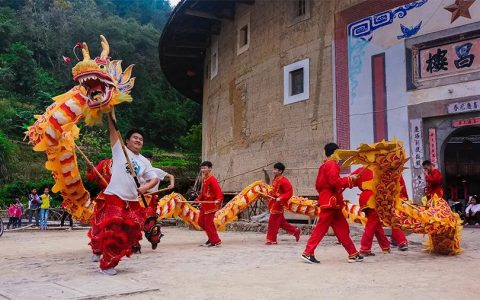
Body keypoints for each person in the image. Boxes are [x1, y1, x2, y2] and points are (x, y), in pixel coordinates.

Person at [95, 111, 159, 276]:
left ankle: (109, 254)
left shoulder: (145, 161)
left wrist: (145, 188)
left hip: (132, 201)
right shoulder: (119, 149)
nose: (138, 140)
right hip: (115, 196)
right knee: (114, 231)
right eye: (135, 138)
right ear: (128, 140)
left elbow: (154, 179)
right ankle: (106, 264)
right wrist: (111, 109)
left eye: (141, 139)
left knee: (132, 234)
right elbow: (112, 128)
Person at [302, 143, 363, 264]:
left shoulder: (324, 165)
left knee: (342, 228)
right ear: (335, 152)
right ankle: (308, 252)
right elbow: (335, 182)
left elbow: (318, 185)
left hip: (330, 201)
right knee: (321, 228)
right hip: (332, 202)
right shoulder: (332, 164)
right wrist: (350, 179)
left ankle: (352, 253)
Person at [351, 167, 390, 256]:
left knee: (376, 224)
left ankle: (385, 247)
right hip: (374, 198)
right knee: (372, 224)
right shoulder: (379, 169)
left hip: (364, 197)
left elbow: (352, 180)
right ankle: (365, 248)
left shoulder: (361, 169)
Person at [265, 162, 301, 245]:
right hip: (274, 202)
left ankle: (271, 239)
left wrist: (281, 198)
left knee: (272, 221)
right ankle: (295, 231)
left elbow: (289, 192)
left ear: (280, 171)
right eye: (273, 169)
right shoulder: (275, 179)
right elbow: (273, 190)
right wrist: (269, 194)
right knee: (281, 222)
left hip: (279, 203)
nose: (273, 171)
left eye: (275, 169)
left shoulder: (284, 181)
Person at [195, 161, 223, 247]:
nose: (203, 170)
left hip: (211, 205)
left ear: (210, 169)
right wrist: (198, 199)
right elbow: (203, 192)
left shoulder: (212, 179)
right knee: (200, 222)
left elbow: (219, 191)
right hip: (204, 205)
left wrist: (218, 199)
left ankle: (216, 241)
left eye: (205, 168)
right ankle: (211, 238)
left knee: (208, 224)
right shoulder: (204, 179)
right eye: (202, 168)